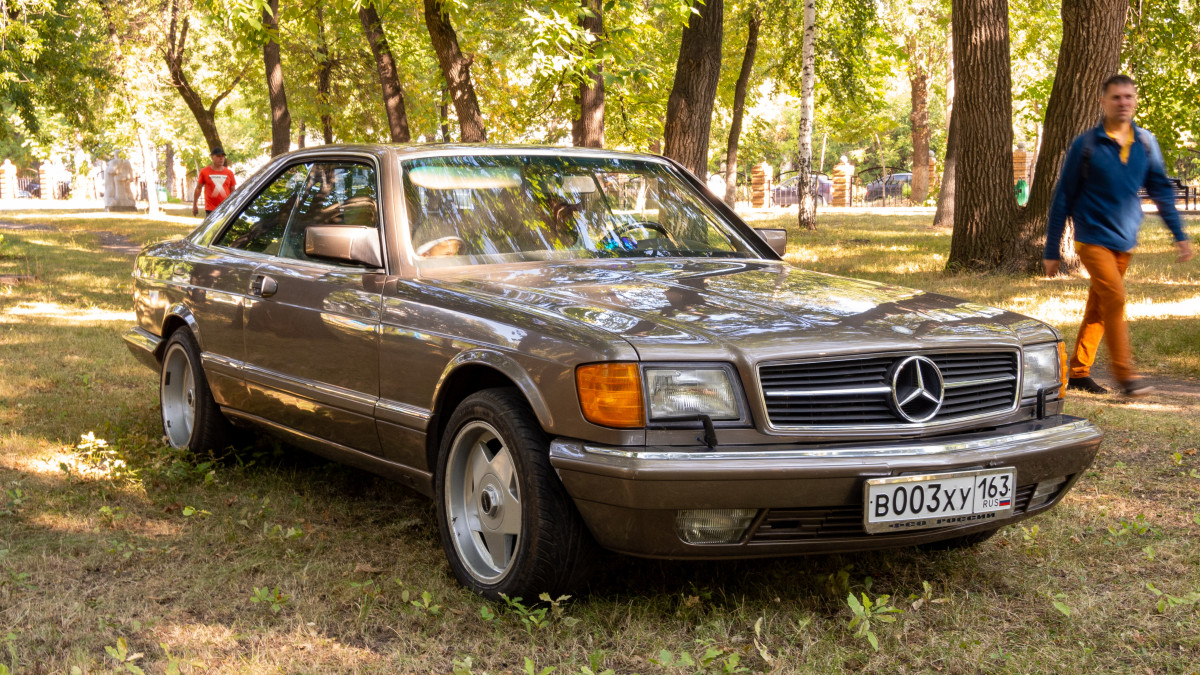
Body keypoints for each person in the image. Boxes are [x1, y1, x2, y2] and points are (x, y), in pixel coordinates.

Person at [1044, 74, 1193, 398]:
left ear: (1135, 100)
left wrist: (1179, 235)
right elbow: (1063, 198)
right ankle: (1126, 376)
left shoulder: (1145, 143)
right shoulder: (1086, 145)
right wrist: (1052, 248)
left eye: (1128, 96)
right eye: (1116, 97)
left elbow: (1161, 192)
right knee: (1115, 298)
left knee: (1099, 305)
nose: (1123, 102)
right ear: (1103, 102)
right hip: (1092, 238)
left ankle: (1079, 371)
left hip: (1124, 240)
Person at [193, 147, 236, 216]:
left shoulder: (229, 173)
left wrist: (234, 205)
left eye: (223, 156)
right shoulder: (204, 171)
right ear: (212, 157)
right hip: (210, 209)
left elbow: (233, 190)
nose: (221, 158)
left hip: (225, 208)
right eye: (218, 156)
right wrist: (195, 204)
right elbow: (198, 188)